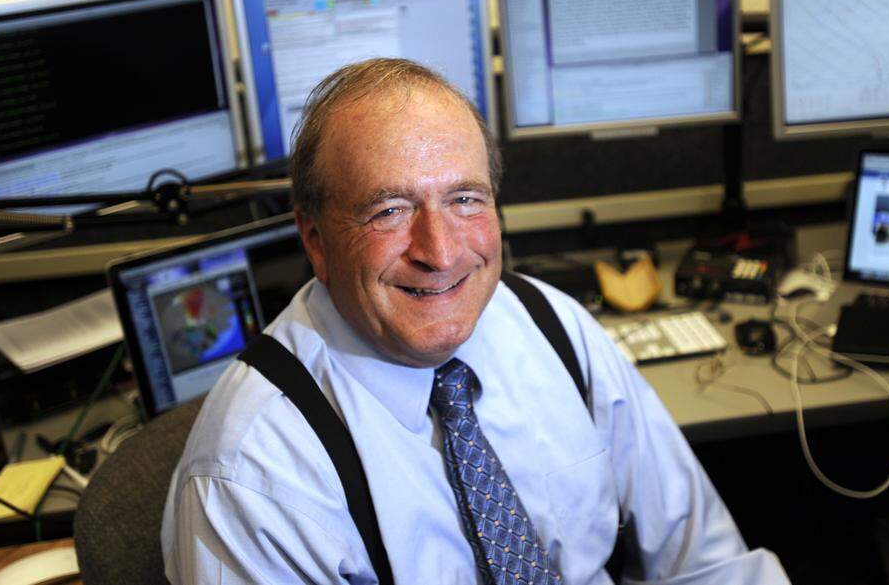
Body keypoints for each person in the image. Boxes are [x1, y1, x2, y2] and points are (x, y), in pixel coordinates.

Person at [161, 58, 789, 584]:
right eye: (389, 209)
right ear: (316, 239)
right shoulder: (251, 475)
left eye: (465, 199)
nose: (440, 251)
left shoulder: (548, 324)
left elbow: (707, 559)